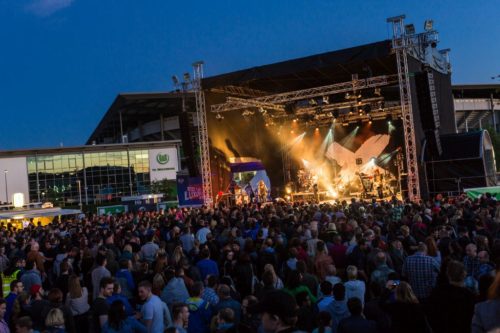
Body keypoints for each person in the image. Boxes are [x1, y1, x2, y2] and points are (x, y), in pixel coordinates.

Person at [427, 260, 475, 333]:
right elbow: (470, 319)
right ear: (464, 274)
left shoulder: (437, 292)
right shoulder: (468, 296)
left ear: (448, 274)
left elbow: (431, 315)